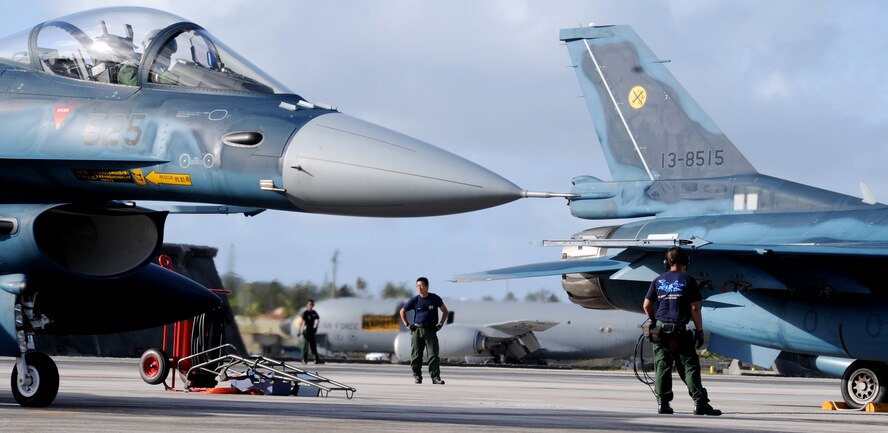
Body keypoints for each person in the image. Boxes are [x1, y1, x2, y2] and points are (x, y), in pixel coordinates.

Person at [643, 247, 721, 416]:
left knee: (662, 365)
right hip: (679, 330)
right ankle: (700, 403)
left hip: (661, 329)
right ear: (686, 262)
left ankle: (663, 404)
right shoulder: (689, 280)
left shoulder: (658, 280)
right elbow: (695, 308)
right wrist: (699, 331)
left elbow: (647, 305)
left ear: (666, 262)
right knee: (689, 366)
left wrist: (654, 321)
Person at [399, 277, 448, 384]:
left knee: (433, 355)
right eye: (417, 286)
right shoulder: (415, 300)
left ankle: (435, 377)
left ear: (427, 286)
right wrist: (407, 325)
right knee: (416, 356)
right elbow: (402, 311)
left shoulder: (434, 298)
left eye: (421, 286)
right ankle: (417, 376)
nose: (419, 288)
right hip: (417, 330)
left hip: (430, 330)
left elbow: (445, 311)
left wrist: (440, 325)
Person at [298, 299, 321, 364]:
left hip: (312, 330)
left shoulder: (314, 312)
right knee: (305, 346)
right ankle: (304, 359)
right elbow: (301, 322)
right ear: (307, 305)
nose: (311, 306)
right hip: (306, 330)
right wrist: (299, 330)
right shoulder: (305, 313)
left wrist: (316, 327)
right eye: (310, 304)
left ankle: (316, 359)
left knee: (313, 345)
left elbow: (318, 319)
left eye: (312, 305)